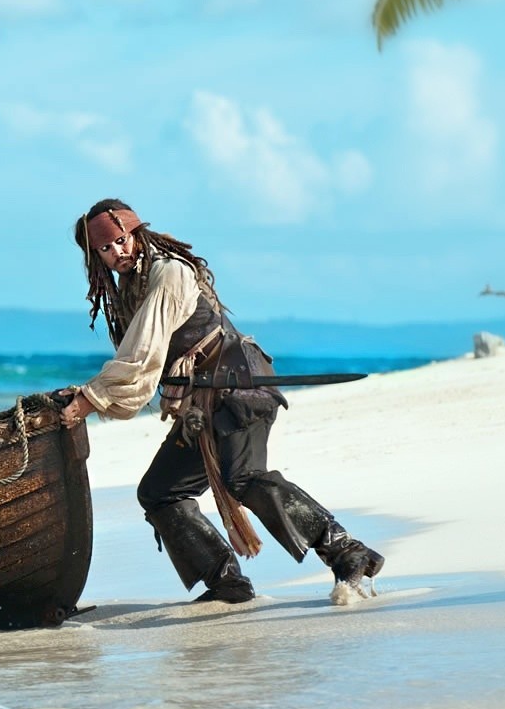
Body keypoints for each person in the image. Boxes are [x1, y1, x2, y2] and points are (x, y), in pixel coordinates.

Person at [57, 199, 383, 604]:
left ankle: (347, 551)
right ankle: (227, 583)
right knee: (160, 492)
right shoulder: (128, 291)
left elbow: (140, 357)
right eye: (105, 249)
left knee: (242, 477)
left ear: (135, 234)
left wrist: (90, 399)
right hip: (200, 407)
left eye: (121, 241)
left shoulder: (169, 273)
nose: (116, 253)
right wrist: (88, 395)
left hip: (239, 390)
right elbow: (145, 359)